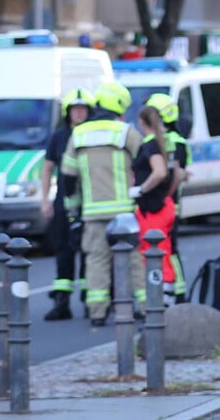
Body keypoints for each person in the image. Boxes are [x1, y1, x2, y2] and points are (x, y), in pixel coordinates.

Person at [60, 81, 145, 326]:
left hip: (92, 213)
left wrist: (73, 210)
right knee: (135, 261)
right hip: (125, 211)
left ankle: (97, 312)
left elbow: (68, 177)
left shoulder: (79, 134)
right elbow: (145, 163)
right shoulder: (125, 132)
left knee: (96, 261)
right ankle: (143, 307)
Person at [40, 89, 93, 321]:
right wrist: (44, 198)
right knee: (63, 250)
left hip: (89, 202)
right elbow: (47, 167)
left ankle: (90, 299)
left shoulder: (93, 134)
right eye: (75, 109)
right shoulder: (59, 136)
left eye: (83, 109)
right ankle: (62, 302)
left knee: (89, 251)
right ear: (68, 112)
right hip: (63, 202)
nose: (79, 113)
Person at [145, 93, 190, 303]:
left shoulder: (171, 142)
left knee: (170, 248)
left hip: (168, 204)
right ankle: (175, 289)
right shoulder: (176, 141)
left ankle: (178, 290)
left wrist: (164, 197)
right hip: (170, 203)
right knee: (167, 248)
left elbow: (176, 174)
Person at [131, 104, 176, 302]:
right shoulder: (159, 142)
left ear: (141, 122)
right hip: (159, 205)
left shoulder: (150, 145)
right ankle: (165, 297)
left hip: (153, 208)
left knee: (156, 253)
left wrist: (141, 189)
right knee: (160, 251)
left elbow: (159, 172)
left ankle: (164, 301)